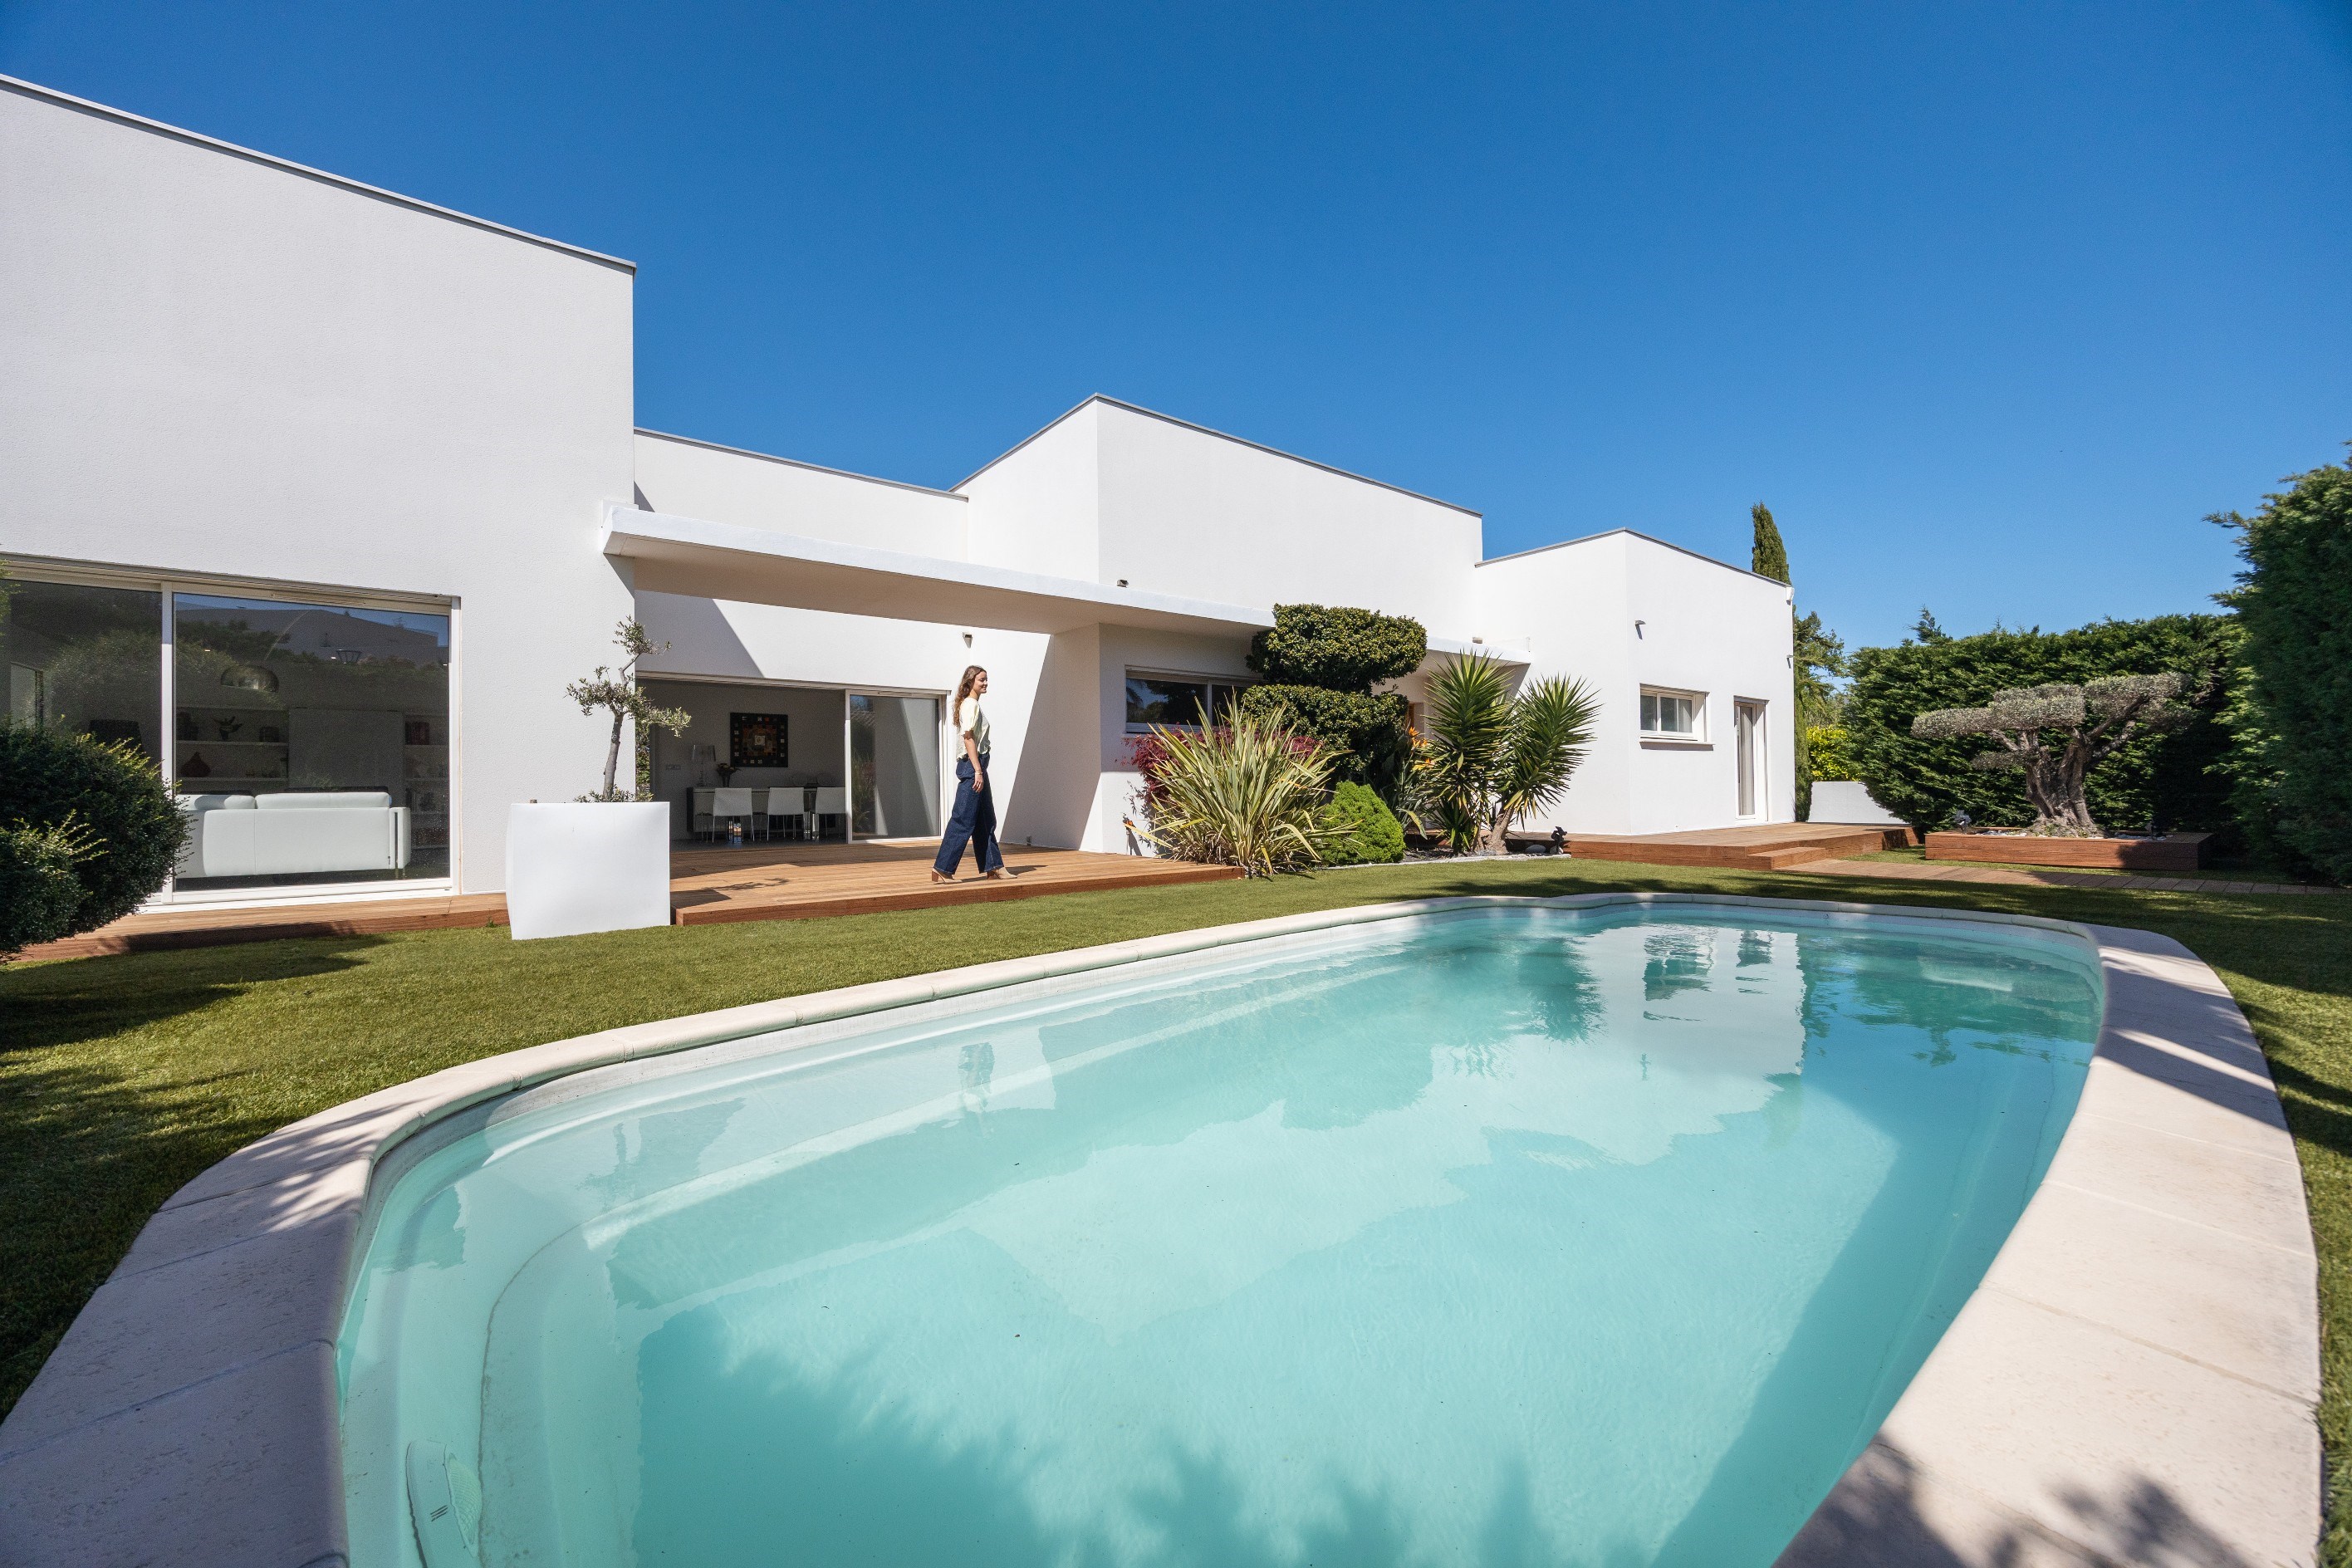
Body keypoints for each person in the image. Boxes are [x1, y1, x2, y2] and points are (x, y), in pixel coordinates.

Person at [933, 664, 1006, 883]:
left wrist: (980, 770)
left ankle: (994, 867)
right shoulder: (970, 705)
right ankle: (942, 868)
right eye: (981, 679)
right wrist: (977, 771)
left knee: (986, 820)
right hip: (973, 767)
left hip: (978, 767)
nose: (985, 683)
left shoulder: (972, 705)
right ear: (970, 682)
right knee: (963, 820)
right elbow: (968, 739)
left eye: (986, 679)